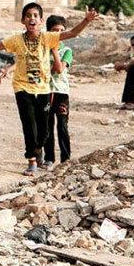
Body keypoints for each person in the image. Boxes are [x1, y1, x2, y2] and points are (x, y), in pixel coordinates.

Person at [0, 3, 98, 176]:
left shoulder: (48, 38)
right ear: (22, 20)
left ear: (41, 21)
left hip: (43, 89)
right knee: (29, 123)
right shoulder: (16, 40)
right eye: (28, 15)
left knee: (43, 130)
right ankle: (32, 160)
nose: (31, 18)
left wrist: (86, 20)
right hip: (22, 87)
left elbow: (72, 33)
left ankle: (38, 148)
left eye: (35, 16)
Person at [42, 15, 74, 169]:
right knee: (47, 126)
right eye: (55, 30)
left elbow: (59, 68)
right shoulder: (42, 50)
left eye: (62, 31)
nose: (58, 33)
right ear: (48, 31)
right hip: (46, 92)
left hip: (61, 92)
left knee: (62, 126)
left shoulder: (67, 51)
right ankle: (49, 158)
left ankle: (66, 159)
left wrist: (54, 50)